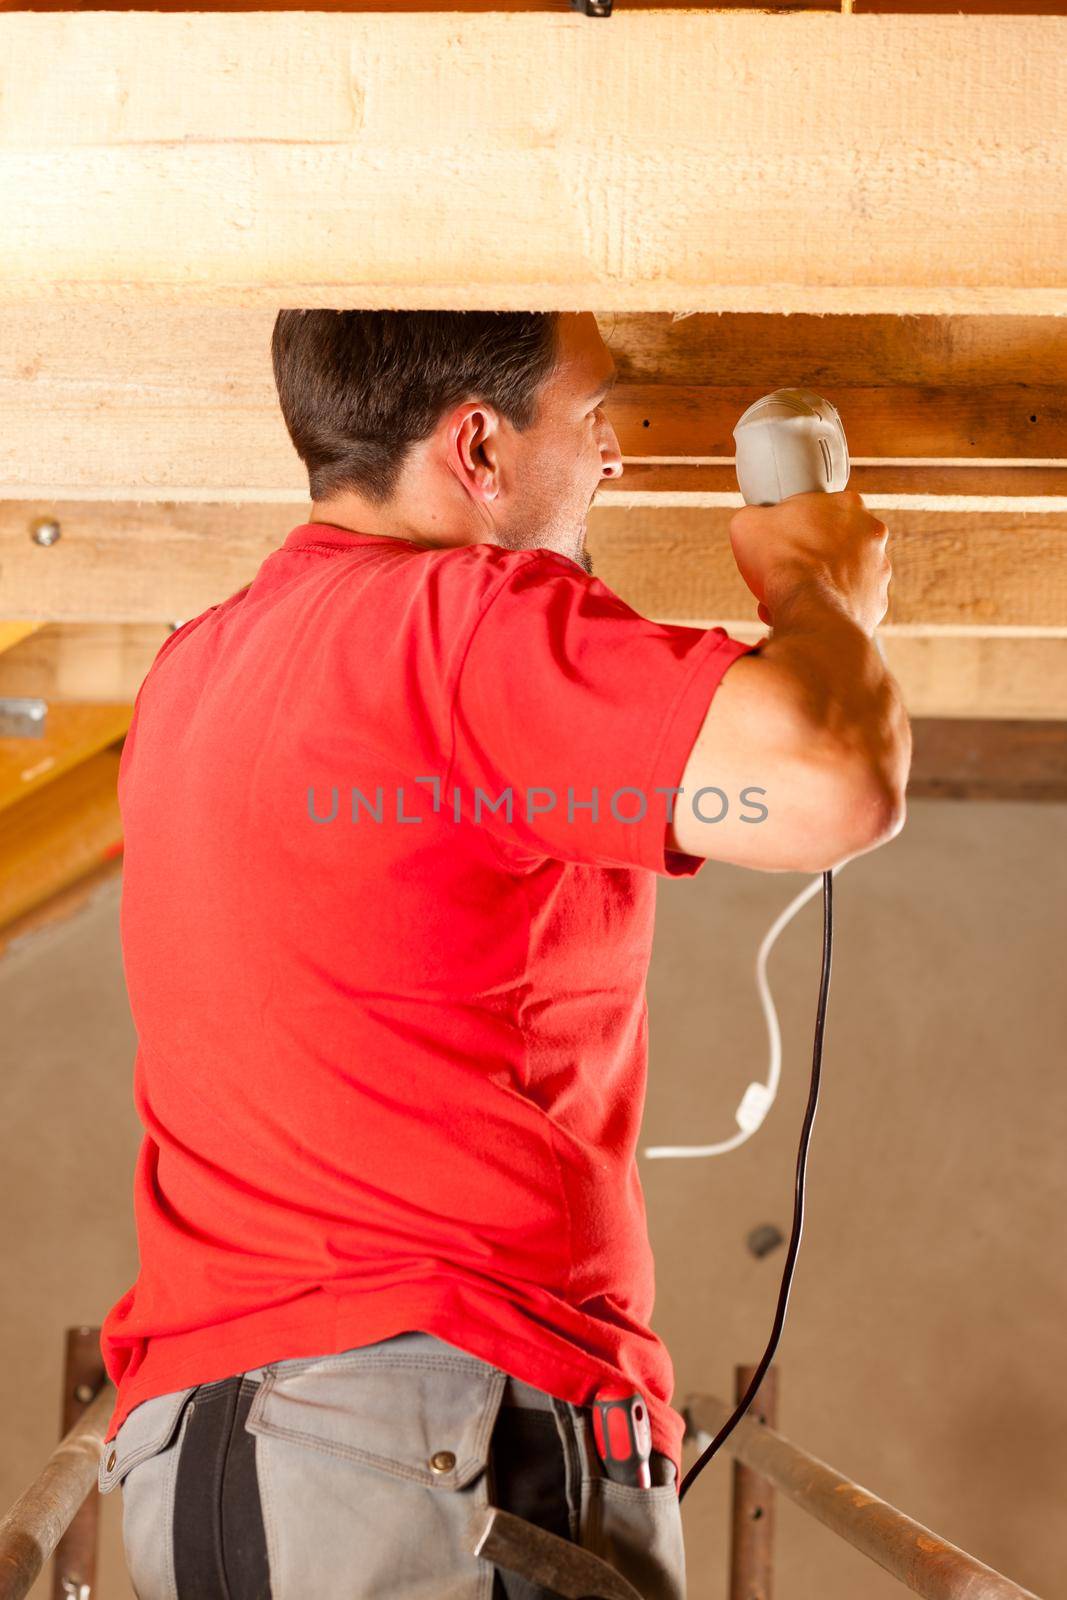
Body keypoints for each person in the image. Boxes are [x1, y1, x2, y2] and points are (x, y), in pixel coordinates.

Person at [97, 310, 910, 1599]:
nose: (617, 463)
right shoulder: (460, 623)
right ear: (477, 445)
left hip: (233, 1449)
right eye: (597, 421)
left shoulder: (196, 668)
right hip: (415, 1431)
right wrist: (821, 595)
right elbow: (831, 786)